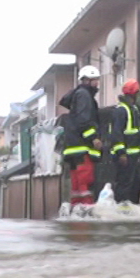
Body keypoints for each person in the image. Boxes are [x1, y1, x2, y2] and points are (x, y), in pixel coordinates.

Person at [59, 65, 103, 209]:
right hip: (82, 146)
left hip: (72, 147)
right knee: (85, 181)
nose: (97, 83)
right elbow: (84, 121)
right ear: (86, 80)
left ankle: (76, 211)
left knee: (77, 185)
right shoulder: (84, 95)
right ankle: (86, 210)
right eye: (94, 80)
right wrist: (94, 137)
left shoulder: (77, 96)